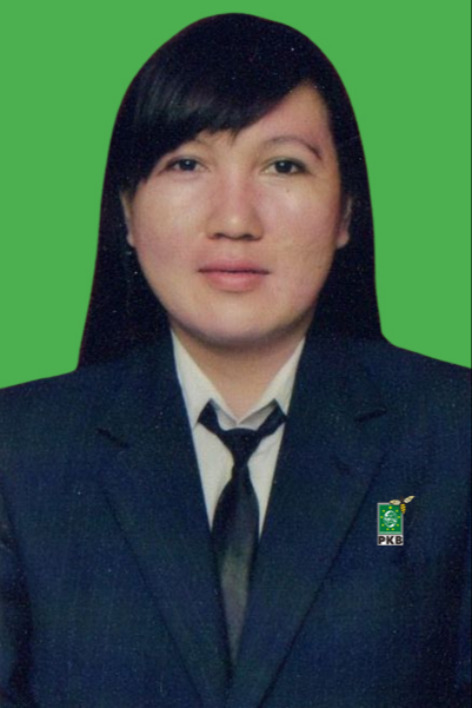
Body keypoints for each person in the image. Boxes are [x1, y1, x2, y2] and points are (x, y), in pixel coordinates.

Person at [0, 13, 469, 708]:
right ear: (126, 212)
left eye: (283, 165)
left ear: (346, 212)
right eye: (187, 164)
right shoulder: (19, 451)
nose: (235, 220)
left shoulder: (452, 435)